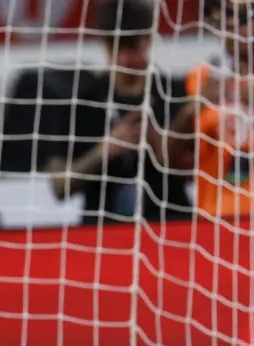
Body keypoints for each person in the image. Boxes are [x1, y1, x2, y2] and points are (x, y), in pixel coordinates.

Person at [46, 0, 192, 225]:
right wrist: (104, 151)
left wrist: (161, 145)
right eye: (116, 48)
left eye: (132, 48)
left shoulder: (174, 94)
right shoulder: (84, 103)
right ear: (104, 44)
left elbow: (201, 169)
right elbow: (59, 186)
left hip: (169, 226)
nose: (125, 59)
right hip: (102, 230)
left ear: (147, 40)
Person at [167, 2, 254, 223]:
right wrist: (192, 109)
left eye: (242, 17)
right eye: (227, 18)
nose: (232, 27)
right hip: (213, 218)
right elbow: (167, 158)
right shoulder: (201, 77)